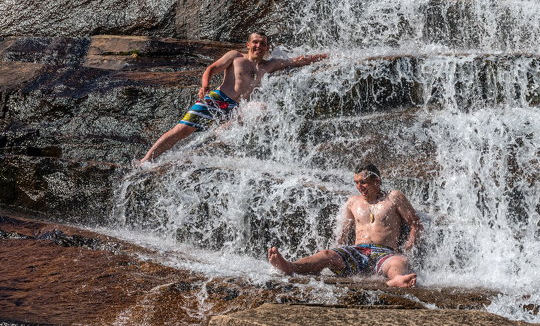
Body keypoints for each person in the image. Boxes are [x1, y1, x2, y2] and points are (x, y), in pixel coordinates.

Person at [139, 31, 327, 163]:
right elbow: (212, 68)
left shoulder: (269, 65)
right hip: (218, 99)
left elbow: (297, 61)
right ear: (248, 45)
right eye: (255, 42)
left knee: (260, 109)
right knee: (182, 130)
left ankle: (220, 133)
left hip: (236, 108)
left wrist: (325, 56)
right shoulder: (236, 57)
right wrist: (205, 85)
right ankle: (147, 158)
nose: (258, 46)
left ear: (267, 48)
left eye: (262, 43)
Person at [268, 162, 422, 288]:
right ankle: (291, 267)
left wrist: (409, 245)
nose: (359, 186)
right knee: (327, 254)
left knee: (400, 261)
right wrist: (338, 252)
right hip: (357, 252)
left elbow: (415, 223)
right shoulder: (353, 202)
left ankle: (398, 279)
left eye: (363, 182)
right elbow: (344, 233)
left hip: (385, 253)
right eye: (356, 182)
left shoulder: (393, 197)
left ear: (377, 181)